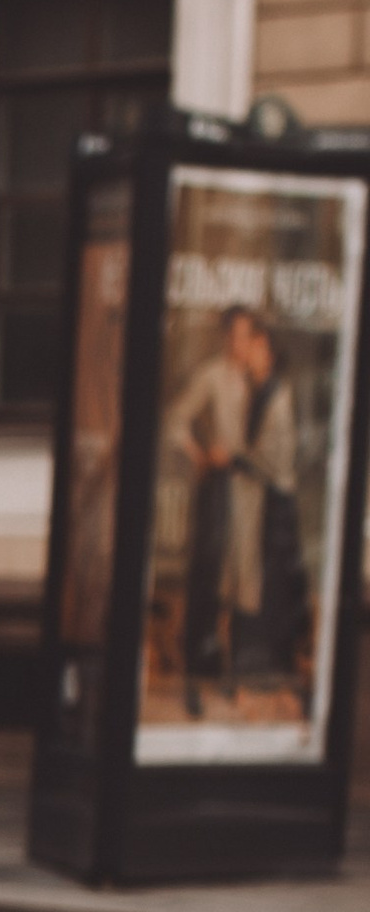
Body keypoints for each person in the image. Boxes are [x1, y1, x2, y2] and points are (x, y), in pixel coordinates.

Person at [166, 302, 308, 713]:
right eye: (233, 335)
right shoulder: (212, 375)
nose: (239, 344)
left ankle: (246, 671)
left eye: (247, 336)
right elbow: (177, 419)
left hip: (256, 495)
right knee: (213, 573)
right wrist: (197, 455)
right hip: (222, 490)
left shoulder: (260, 380)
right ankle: (203, 668)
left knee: (249, 580)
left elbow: (273, 447)